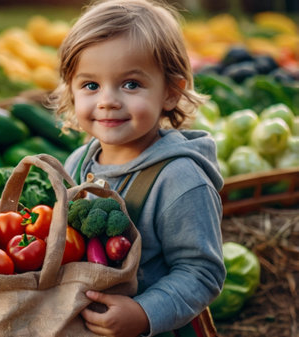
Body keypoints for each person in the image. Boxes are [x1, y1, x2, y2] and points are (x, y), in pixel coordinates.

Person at [48, 0, 226, 336]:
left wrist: (144, 313)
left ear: (171, 93)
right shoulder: (77, 162)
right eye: (90, 85)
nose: (107, 100)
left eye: (130, 84)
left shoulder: (180, 180)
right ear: (71, 91)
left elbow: (201, 272)